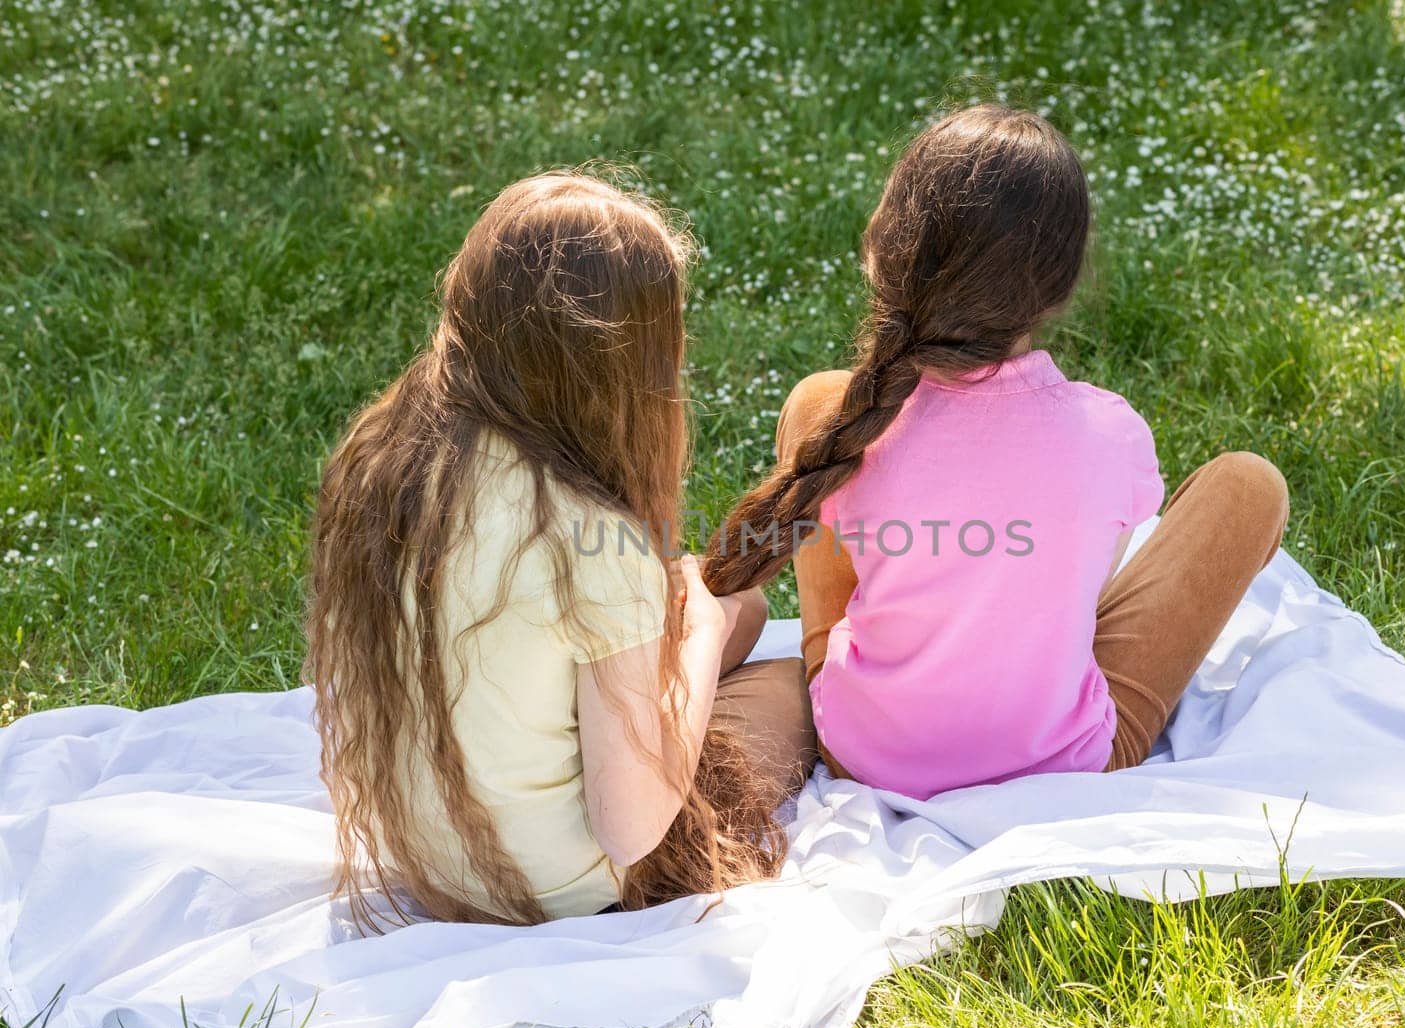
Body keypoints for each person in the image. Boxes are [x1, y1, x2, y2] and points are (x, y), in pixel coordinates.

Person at [702, 106, 1288, 800]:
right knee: (1250, 484)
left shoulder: (846, 421)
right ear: (1061, 285)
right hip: (1059, 764)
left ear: (884, 247)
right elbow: (1084, 578)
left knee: (821, 409)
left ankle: (856, 677)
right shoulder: (1109, 434)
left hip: (862, 750)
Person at [305, 172, 814, 927]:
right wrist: (699, 636)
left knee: (744, 608)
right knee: (795, 684)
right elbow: (631, 826)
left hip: (433, 863)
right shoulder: (587, 541)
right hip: (555, 890)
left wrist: (707, 614)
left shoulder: (389, 460)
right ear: (617, 368)